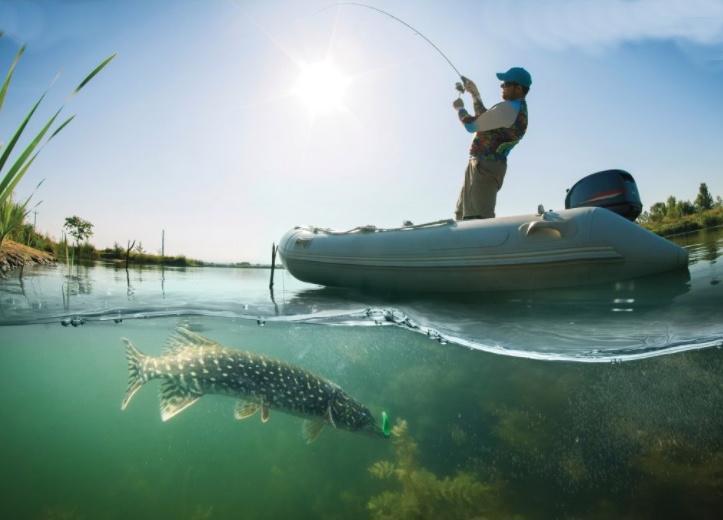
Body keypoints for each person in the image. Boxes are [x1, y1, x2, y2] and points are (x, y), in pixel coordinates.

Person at [452, 67, 531, 220]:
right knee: (463, 215)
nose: (502, 86)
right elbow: (485, 119)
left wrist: (460, 108)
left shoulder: (508, 109)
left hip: (485, 167)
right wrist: (475, 94)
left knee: (476, 219)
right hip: (483, 165)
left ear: (519, 88)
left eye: (506, 83)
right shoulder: (514, 109)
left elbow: (472, 125)